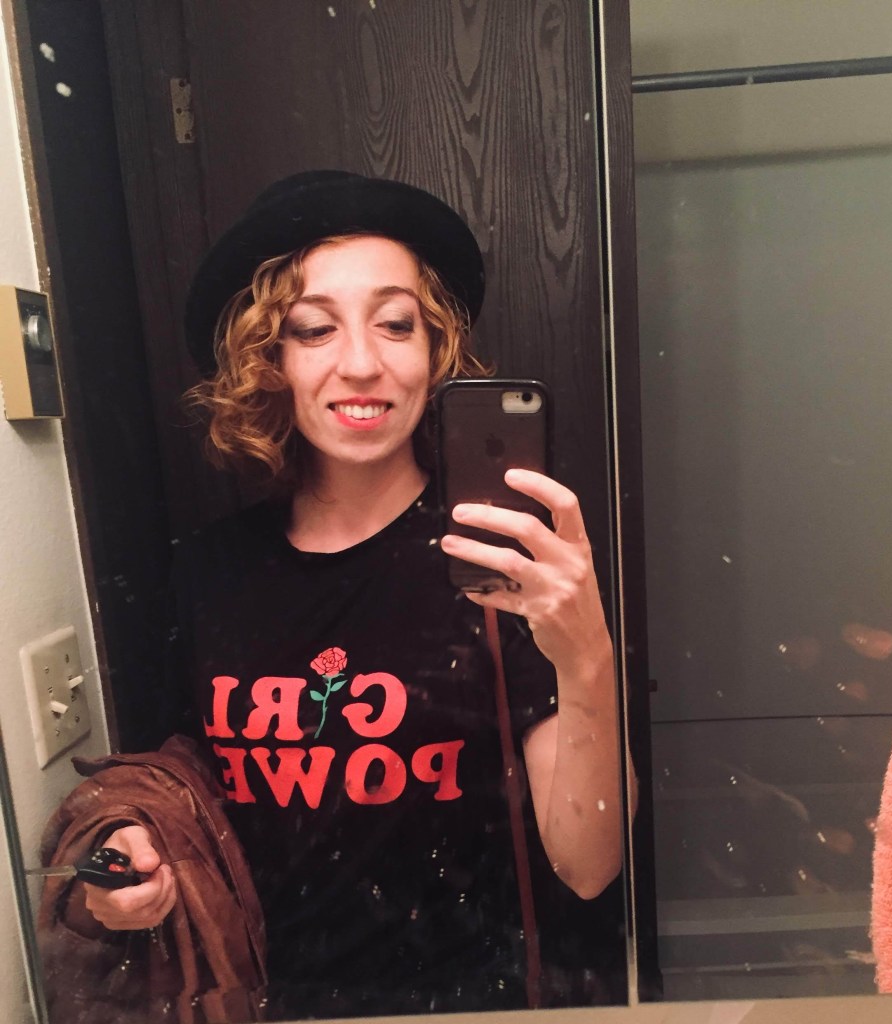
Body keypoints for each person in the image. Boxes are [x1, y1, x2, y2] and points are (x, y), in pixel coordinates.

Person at [80, 170, 629, 1018]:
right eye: (314, 329)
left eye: (396, 324)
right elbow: (177, 791)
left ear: (435, 351)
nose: (363, 364)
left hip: (471, 1004)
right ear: (271, 359)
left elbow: (588, 867)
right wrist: (129, 863)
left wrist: (586, 654)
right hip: (264, 1003)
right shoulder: (207, 571)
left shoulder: (502, 560)